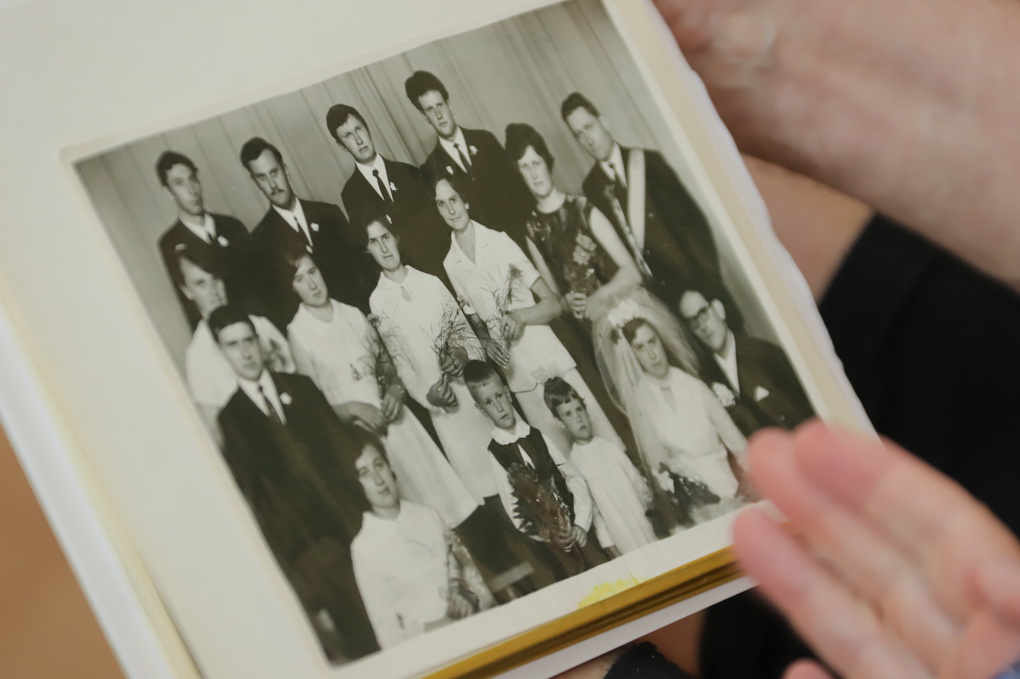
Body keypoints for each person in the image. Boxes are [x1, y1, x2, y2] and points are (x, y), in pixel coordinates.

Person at [363, 210, 538, 593]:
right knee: (484, 495)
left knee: (511, 472)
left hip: (473, 399)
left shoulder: (430, 282)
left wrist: (460, 354)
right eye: (374, 242)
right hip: (445, 412)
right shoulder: (378, 303)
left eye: (386, 237)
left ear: (396, 238)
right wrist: (427, 396)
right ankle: (526, 576)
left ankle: (548, 553)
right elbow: (401, 365)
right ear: (369, 251)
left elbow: (467, 337)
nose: (384, 247)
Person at [211, 304, 377, 662]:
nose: (245, 352)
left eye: (248, 341)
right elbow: (258, 502)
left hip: (353, 525)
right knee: (362, 644)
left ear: (259, 342)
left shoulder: (301, 388)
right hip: (311, 552)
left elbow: (344, 454)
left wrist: (370, 517)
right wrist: (298, 571)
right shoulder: (231, 421)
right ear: (221, 352)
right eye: (233, 345)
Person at [282, 246, 485, 537]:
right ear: (293, 288)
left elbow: (389, 365)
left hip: (397, 422)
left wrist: (394, 390)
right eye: (300, 279)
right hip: (361, 437)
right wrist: (352, 408)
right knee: (410, 519)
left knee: (445, 510)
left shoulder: (352, 314)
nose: (312, 283)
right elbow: (314, 409)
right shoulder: (298, 332)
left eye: (312, 272)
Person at [437, 175, 621, 454]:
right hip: (517, 376)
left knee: (600, 440)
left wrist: (521, 316)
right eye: (441, 204)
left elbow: (553, 304)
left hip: (551, 360)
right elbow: (476, 322)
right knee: (561, 457)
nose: (451, 210)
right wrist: (486, 341)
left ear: (466, 201)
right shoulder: (451, 264)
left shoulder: (500, 242)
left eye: (453, 200)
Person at [560, 93, 722, 312]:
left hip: (697, 284)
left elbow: (695, 223)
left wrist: (712, 289)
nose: (588, 139)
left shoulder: (649, 162)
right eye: (579, 135)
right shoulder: (591, 190)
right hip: (656, 299)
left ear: (603, 122)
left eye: (589, 127)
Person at [348, 429, 495, 649]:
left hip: (476, 629)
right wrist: (431, 629)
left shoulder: (428, 515)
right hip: (430, 649)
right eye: (364, 473)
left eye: (379, 465)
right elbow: (387, 634)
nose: (378, 480)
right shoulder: (364, 547)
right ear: (356, 484)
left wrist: (467, 596)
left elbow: (471, 574)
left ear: (389, 466)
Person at [464, 360, 610, 579]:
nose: (499, 407)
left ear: (508, 393)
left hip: (578, 532)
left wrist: (581, 522)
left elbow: (573, 478)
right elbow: (515, 512)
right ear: (481, 409)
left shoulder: (536, 436)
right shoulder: (496, 453)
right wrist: (547, 535)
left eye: (499, 396)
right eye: (488, 402)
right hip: (553, 549)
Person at [606, 310, 748, 522]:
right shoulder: (642, 402)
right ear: (632, 354)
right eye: (640, 348)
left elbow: (736, 441)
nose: (652, 354)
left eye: (652, 342)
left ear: (661, 341)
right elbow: (659, 467)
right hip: (693, 504)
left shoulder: (694, 386)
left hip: (731, 490)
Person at [503, 122, 642, 326]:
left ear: (547, 162)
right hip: (592, 327)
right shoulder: (533, 230)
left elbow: (632, 273)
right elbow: (556, 302)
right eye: (525, 166)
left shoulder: (583, 209)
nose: (534, 174)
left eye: (536, 163)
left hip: (626, 310)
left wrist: (598, 297)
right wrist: (566, 303)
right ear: (519, 172)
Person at [240, 136, 376, 323]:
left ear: (285, 170)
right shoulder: (259, 241)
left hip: (360, 319)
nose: (272, 184)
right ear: (255, 182)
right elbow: (278, 308)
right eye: (262, 178)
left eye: (274, 172)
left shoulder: (329, 213)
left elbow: (361, 271)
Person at [177, 245, 293, 439]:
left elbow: (296, 376)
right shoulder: (197, 354)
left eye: (216, 279)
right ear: (187, 290)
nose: (213, 291)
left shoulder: (261, 325)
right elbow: (214, 427)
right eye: (201, 284)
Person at [404, 70, 534, 245]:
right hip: (484, 250)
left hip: (521, 236)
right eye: (430, 110)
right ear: (424, 116)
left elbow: (519, 189)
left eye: (440, 105)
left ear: (449, 104)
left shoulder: (485, 140)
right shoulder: (433, 166)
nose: (439, 115)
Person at [327, 103, 451, 282]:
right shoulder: (350, 195)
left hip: (440, 269)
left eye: (359, 129)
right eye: (348, 136)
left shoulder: (408, 171)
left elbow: (437, 227)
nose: (359, 140)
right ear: (342, 146)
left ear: (367, 129)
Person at [544, 377, 655, 556]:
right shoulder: (575, 465)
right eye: (568, 414)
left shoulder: (610, 447)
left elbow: (639, 485)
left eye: (579, 409)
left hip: (646, 524)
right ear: (560, 422)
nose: (578, 418)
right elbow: (596, 516)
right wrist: (612, 549)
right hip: (623, 537)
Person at [678, 287, 813, 435]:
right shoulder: (706, 380)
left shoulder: (764, 353)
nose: (703, 326)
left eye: (703, 313)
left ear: (719, 310)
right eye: (693, 321)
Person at [156, 150, 250, 329]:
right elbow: (189, 305)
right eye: (179, 183)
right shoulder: (169, 243)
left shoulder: (232, 225)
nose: (191, 190)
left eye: (192, 180)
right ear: (168, 192)